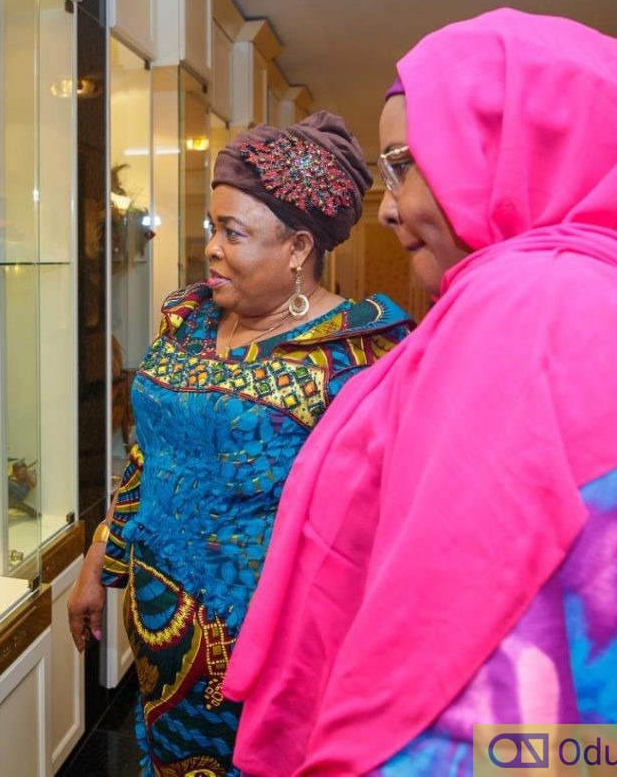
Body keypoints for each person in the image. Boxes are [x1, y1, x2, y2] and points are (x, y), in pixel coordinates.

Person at [223, 8, 617, 777]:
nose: (387, 207)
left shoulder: (543, 310)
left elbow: (504, 703)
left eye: (404, 163)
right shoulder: (600, 302)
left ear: (512, 149)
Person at [67, 110, 414, 776]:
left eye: (234, 233)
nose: (212, 249)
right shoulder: (191, 318)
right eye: (211, 228)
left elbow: (386, 530)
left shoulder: (358, 359)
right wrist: (100, 555)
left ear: (298, 248)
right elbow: (150, 450)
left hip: (270, 663)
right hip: (160, 642)